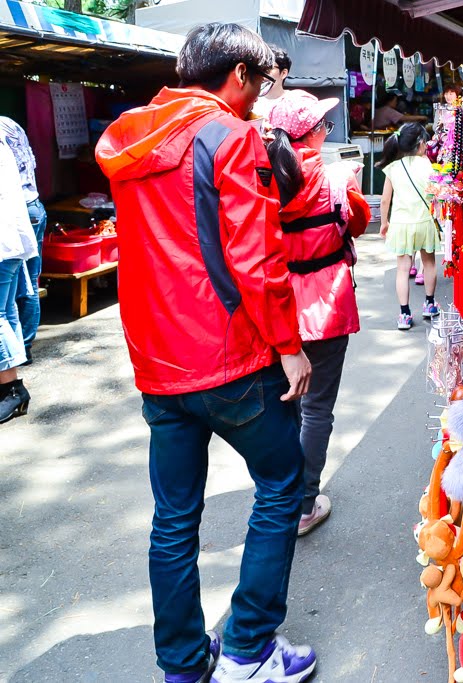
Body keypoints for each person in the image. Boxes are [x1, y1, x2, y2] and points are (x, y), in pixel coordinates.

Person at [95, 23, 317, 683]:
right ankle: (249, 647)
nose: (258, 99)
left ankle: (186, 666)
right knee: (283, 482)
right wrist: (290, 347)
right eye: (260, 84)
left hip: (158, 362)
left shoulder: (132, 135)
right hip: (229, 360)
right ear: (239, 77)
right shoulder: (229, 134)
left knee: (173, 519)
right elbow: (255, 258)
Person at [265, 89, 369, 536]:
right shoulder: (336, 178)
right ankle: (304, 504)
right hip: (325, 307)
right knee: (317, 409)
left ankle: (280, 496)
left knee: (284, 405)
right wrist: (353, 187)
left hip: (277, 305)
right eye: (324, 126)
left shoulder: (261, 180)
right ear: (310, 136)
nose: (328, 131)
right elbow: (359, 225)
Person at [377, 123, 439, 329]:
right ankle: (429, 304)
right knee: (429, 263)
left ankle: (404, 314)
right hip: (424, 222)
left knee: (403, 270)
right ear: (420, 143)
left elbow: (385, 200)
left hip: (401, 224)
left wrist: (384, 223)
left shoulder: (393, 168)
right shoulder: (426, 164)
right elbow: (433, 194)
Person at [1, 117, 45, 365]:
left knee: (17, 289)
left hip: (15, 212)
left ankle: (19, 350)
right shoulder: (10, 124)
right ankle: (22, 348)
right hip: (32, 205)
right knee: (26, 283)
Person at [0, 140, 35, 424]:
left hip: (3, 242)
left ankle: (11, 388)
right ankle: (11, 383)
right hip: (11, 238)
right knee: (7, 310)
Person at [251, 46, 290, 119]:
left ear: (284, 73)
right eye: (260, 67)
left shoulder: (293, 103)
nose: (263, 73)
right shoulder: (250, 101)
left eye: (268, 67)